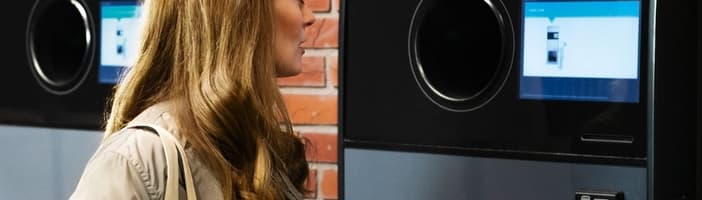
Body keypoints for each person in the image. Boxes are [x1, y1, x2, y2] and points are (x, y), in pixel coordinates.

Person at [70, 0, 316, 199]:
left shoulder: (255, 139)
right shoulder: (138, 160)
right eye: (299, 1)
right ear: (242, 9)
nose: (310, 17)